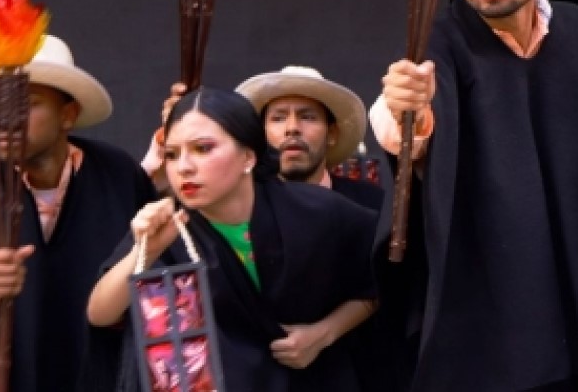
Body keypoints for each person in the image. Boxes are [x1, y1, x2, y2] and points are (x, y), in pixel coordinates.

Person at [371, 0, 578, 391]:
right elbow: (406, 129)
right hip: (493, 317)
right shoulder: (440, 40)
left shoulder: (576, 30)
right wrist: (406, 109)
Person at [86, 87, 378, 391]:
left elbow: (380, 282)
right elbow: (100, 313)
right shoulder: (170, 224)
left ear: (248, 156)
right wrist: (145, 252)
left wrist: (324, 333)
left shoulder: (315, 210)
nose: (184, 167)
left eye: (203, 148)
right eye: (172, 154)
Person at [0, 35, 158, 391]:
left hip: (99, 373)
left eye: (27, 103)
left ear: (68, 115)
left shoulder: (116, 172)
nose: (6, 119)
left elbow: (151, 241)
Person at [235, 65, 381, 211]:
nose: (292, 128)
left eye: (308, 117)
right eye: (278, 118)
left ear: (332, 134)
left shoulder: (370, 206)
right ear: (261, 134)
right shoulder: (239, 208)